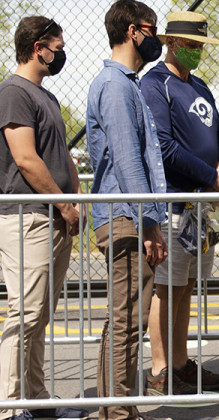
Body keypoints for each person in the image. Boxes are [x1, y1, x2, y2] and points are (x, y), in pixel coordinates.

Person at [0, 16, 89, 420]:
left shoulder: (45, 96)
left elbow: (61, 155)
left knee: (38, 315)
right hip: (28, 217)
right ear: (39, 47)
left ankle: (34, 400)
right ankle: (11, 405)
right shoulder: (14, 93)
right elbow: (25, 158)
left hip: (52, 217)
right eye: (58, 44)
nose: (61, 52)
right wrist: (63, 205)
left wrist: (76, 197)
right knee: (27, 312)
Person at [140, 10, 219, 396]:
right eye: (192, 45)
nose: (197, 52)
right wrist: (210, 176)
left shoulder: (201, 86)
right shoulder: (154, 84)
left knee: (186, 286)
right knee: (166, 286)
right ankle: (161, 370)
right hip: (174, 204)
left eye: (201, 46)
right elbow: (162, 145)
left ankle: (180, 364)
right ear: (171, 43)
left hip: (201, 209)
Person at [85, 1, 168, 418]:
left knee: (125, 319)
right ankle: (117, 412)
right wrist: (149, 221)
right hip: (126, 217)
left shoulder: (124, 83)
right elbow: (127, 161)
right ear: (134, 31)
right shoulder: (117, 86)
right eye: (154, 29)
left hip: (126, 215)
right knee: (127, 321)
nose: (157, 37)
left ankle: (117, 408)